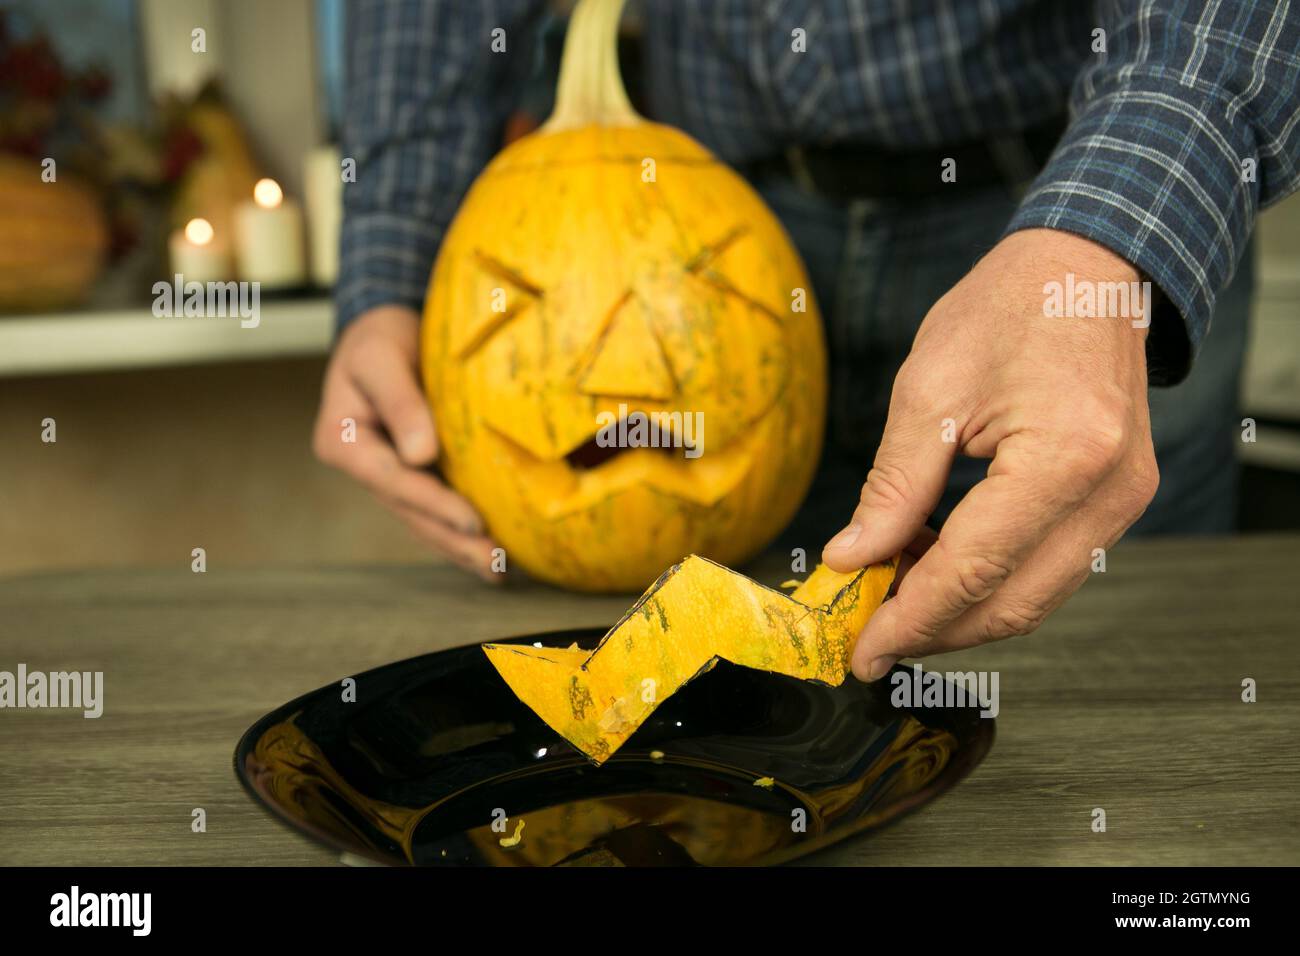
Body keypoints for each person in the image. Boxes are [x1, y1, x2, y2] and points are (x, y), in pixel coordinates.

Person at [314, 0, 1299, 679]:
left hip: (1068, 206)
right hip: (713, 219)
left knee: (1137, 708)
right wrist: (394, 258)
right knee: (774, 736)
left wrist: (1113, 224)